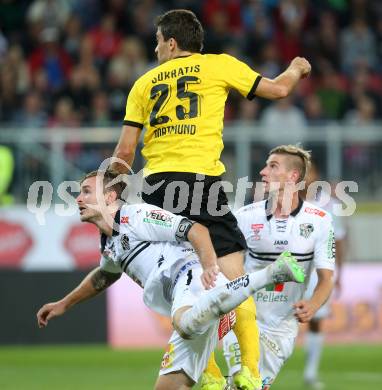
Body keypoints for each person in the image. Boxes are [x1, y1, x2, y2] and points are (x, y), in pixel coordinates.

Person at [111, 9, 311, 389]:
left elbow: (123, 154)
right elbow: (278, 90)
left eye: (157, 42)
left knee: (181, 285)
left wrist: (109, 188)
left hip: (157, 191)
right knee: (235, 279)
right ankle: (248, 371)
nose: (155, 49)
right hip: (201, 185)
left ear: (171, 43)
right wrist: (297, 68)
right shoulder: (218, 66)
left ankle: (208, 375)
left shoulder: (143, 84)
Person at [36, 170, 306, 390]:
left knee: (184, 324)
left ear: (109, 197)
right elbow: (104, 275)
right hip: (185, 299)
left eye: (86, 192)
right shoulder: (110, 243)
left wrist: (209, 264)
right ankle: (220, 321)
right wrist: (64, 304)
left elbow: (195, 229)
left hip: (188, 277)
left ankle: (270, 274)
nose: (78, 199)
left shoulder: (137, 215)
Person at [222, 145, 335, 390]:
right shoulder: (244, 216)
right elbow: (226, 264)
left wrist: (313, 305)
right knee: (241, 384)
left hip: (281, 327)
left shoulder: (320, 220)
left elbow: (326, 278)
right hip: (243, 317)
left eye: (273, 166)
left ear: (293, 176)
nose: (263, 172)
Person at [302, 162, 347, 389]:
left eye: (310, 171)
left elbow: (338, 240)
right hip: (291, 270)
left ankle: (310, 372)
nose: (307, 176)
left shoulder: (330, 204)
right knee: (275, 318)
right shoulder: (288, 201)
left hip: (319, 271)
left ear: (317, 175)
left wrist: (340, 273)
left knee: (317, 321)